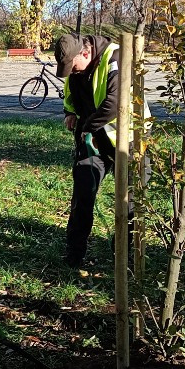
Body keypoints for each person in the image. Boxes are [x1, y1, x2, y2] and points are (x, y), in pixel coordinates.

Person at [54, 31, 121, 267]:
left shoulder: (115, 58)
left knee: (129, 203)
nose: (72, 72)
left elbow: (114, 104)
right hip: (92, 142)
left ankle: (124, 256)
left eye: (72, 67)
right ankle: (74, 254)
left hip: (128, 142)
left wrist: (87, 127)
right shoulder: (77, 66)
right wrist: (70, 112)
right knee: (82, 196)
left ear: (86, 52)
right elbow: (71, 92)